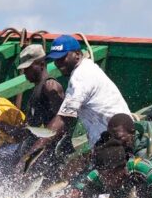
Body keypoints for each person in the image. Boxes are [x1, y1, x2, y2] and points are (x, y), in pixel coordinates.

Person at [27, 35, 131, 169]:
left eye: (62, 58)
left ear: (77, 54)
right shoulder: (86, 69)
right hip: (104, 142)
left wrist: (31, 154)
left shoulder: (81, 76)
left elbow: (64, 118)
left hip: (117, 142)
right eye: (55, 60)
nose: (58, 63)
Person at [98, 113, 152, 185]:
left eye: (118, 137)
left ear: (132, 133)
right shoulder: (134, 144)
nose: (114, 142)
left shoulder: (145, 154)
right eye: (111, 138)